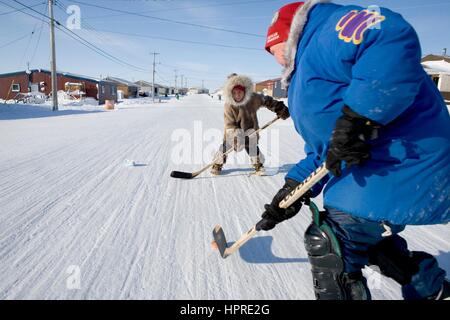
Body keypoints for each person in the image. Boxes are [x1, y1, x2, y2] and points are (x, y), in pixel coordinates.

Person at [258, 1, 450, 300]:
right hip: (377, 164)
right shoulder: (305, 70)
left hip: (403, 157)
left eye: (275, 49)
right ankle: (429, 286)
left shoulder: (323, 34)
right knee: (363, 238)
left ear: (289, 34)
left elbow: (386, 32)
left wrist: (359, 117)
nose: (277, 60)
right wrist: (291, 190)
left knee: (331, 243)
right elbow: (326, 151)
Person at [211, 73, 290, 175]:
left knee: (252, 147)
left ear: (245, 91)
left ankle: (258, 165)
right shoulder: (229, 106)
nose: (237, 95)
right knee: (225, 147)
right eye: (234, 93)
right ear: (230, 93)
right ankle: (217, 164)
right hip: (233, 132)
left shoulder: (252, 99)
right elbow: (229, 123)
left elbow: (266, 100)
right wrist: (236, 135)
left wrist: (279, 108)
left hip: (250, 130)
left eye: (240, 92)